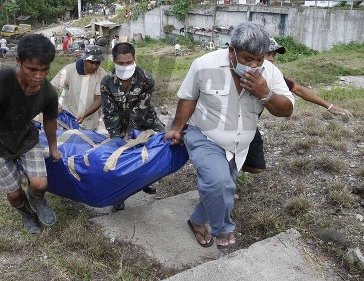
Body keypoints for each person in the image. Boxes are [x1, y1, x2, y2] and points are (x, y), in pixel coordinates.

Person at [164, 23, 294, 249]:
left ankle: (196, 221)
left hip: (239, 144)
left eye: (259, 59)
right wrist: (177, 127)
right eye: (247, 59)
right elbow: (188, 98)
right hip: (204, 135)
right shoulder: (204, 65)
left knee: (225, 186)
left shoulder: (271, 74)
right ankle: (223, 228)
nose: (254, 65)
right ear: (231, 50)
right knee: (217, 183)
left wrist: (265, 93)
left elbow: (286, 110)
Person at [0, 34, 60, 234]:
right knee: (14, 194)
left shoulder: (48, 92)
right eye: (32, 69)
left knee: (40, 184)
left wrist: (54, 148)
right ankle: (26, 213)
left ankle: (38, 200)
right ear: (18, 61)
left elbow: (50, 120)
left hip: (26, 139)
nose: (39, 76)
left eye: (44, 69)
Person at [243, 38, 353, 174]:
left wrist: (329, 106)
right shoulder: (237, 70)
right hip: (225, 121)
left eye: (274, 55)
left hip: (249, 123)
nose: (271, 59)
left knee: (256, 166)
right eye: (268, 54)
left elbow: (298, 89)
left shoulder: (272, 75)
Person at [100, 42, 164, 210]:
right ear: (114, 61)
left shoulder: (146, 78)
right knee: (119, 158)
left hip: (145, 120)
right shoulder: (107, 81)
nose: (126, 66)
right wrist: (117, 138)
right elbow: (109, 113)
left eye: (129, 62)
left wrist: (131, 136)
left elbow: (141, 110)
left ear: (134, 59)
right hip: (119, 123)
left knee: (157, 146)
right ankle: (119, 195)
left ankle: (145, 181)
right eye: (121, 63)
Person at [51, 45, 106, 131]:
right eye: (91, 62)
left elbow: (99, 99)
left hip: (90, 121)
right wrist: (56, 105)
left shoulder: (102, 75)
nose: (94, 66)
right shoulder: (69, 70)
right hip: (68, 118)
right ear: (84, 59)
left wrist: (84, 114)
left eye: (97, 63)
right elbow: (52, 87)